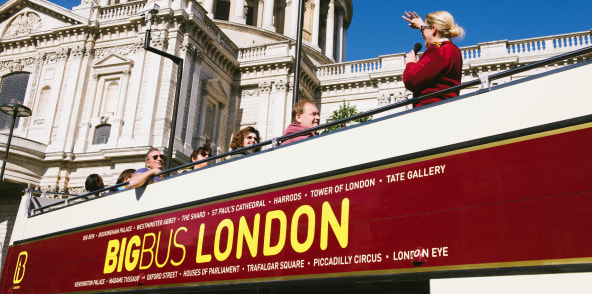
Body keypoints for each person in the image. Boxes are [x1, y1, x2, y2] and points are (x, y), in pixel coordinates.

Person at [402, 10, 464, 107]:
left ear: (434, 29)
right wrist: (422, 26)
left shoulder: (437, 51)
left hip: (430, 109)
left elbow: (411, 80)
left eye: (425, 27)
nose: (422, 33)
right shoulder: (453, 50)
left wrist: (410, 63)